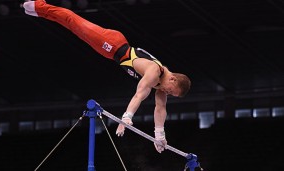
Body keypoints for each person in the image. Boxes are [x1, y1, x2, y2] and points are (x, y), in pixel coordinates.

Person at [22, 0, 191, 153]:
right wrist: (127, 117)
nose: (167, 93)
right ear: (173, 79)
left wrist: (159, 135)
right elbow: (140, 93)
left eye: (171, 95)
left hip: (110, 52)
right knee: (73, 21)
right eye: (171, 91)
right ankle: (38, 6)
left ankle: (38, 11)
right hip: (113, 44)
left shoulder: (161, 86)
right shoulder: (155, 72)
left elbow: (160, 109)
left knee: (72, 26)